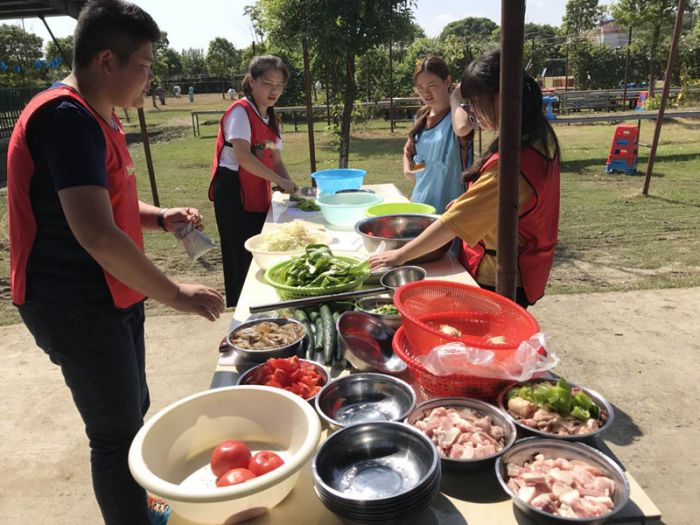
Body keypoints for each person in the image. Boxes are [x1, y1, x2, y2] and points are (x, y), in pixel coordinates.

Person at [6, 1, 225, 524]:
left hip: (111, 294)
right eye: (145, 66)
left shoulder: (97, 115)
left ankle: (140, 507)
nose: (150, 79)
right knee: (113, 435)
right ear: (108, 61)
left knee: (130, 413)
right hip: (74, 303)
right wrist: (175, 292)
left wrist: (159, 216)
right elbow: (97, 232)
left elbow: (109, 205)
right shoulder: (65, 118)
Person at [371, 49, 560, 308]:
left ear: (500, 97)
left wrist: (400, 255)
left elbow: (457, 220)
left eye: (477, 102)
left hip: (497, 274)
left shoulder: (512, 166)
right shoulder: (535, 137)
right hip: (514, 264)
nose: (474, 112)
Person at [208, 55, 298, 307]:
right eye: (268, 83)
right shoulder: (241, 111)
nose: (274, 90)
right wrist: (279, 179)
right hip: (233, 191)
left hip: (257, 187)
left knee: (260, 249)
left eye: (279, 85)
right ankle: (241, 311)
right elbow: (243, 157)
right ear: (251, 81)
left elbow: (275, 160)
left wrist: (292, 187)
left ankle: (261, 305)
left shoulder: (271, 119)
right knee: (241, 254)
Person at [403, 56, 475, 213]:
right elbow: (415, 160)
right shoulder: (420, 118)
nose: (426, 93)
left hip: (451, 215)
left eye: (431, 86)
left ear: (447, 81)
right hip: (420, 208)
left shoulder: (459, 115)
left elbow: (462, 128)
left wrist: (455, 97)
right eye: (420, 88)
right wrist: (418, 169)